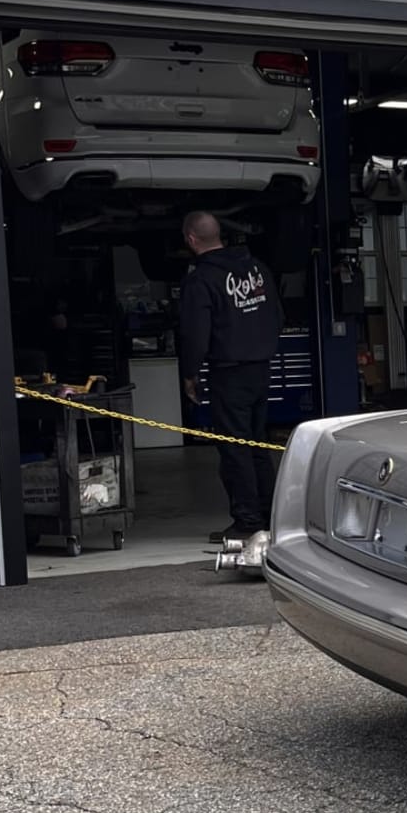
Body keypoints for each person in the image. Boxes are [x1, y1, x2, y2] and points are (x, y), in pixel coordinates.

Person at [178, 210, 282, 563]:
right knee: (257, 443)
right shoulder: (257, 269)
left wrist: (190, 373)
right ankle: (270, 516)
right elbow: (277, 315)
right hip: (260, 368)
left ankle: (248, 522)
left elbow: (195, 332)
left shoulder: (201, 280)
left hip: (229, 371)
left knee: (235, 447)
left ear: (192, 240)